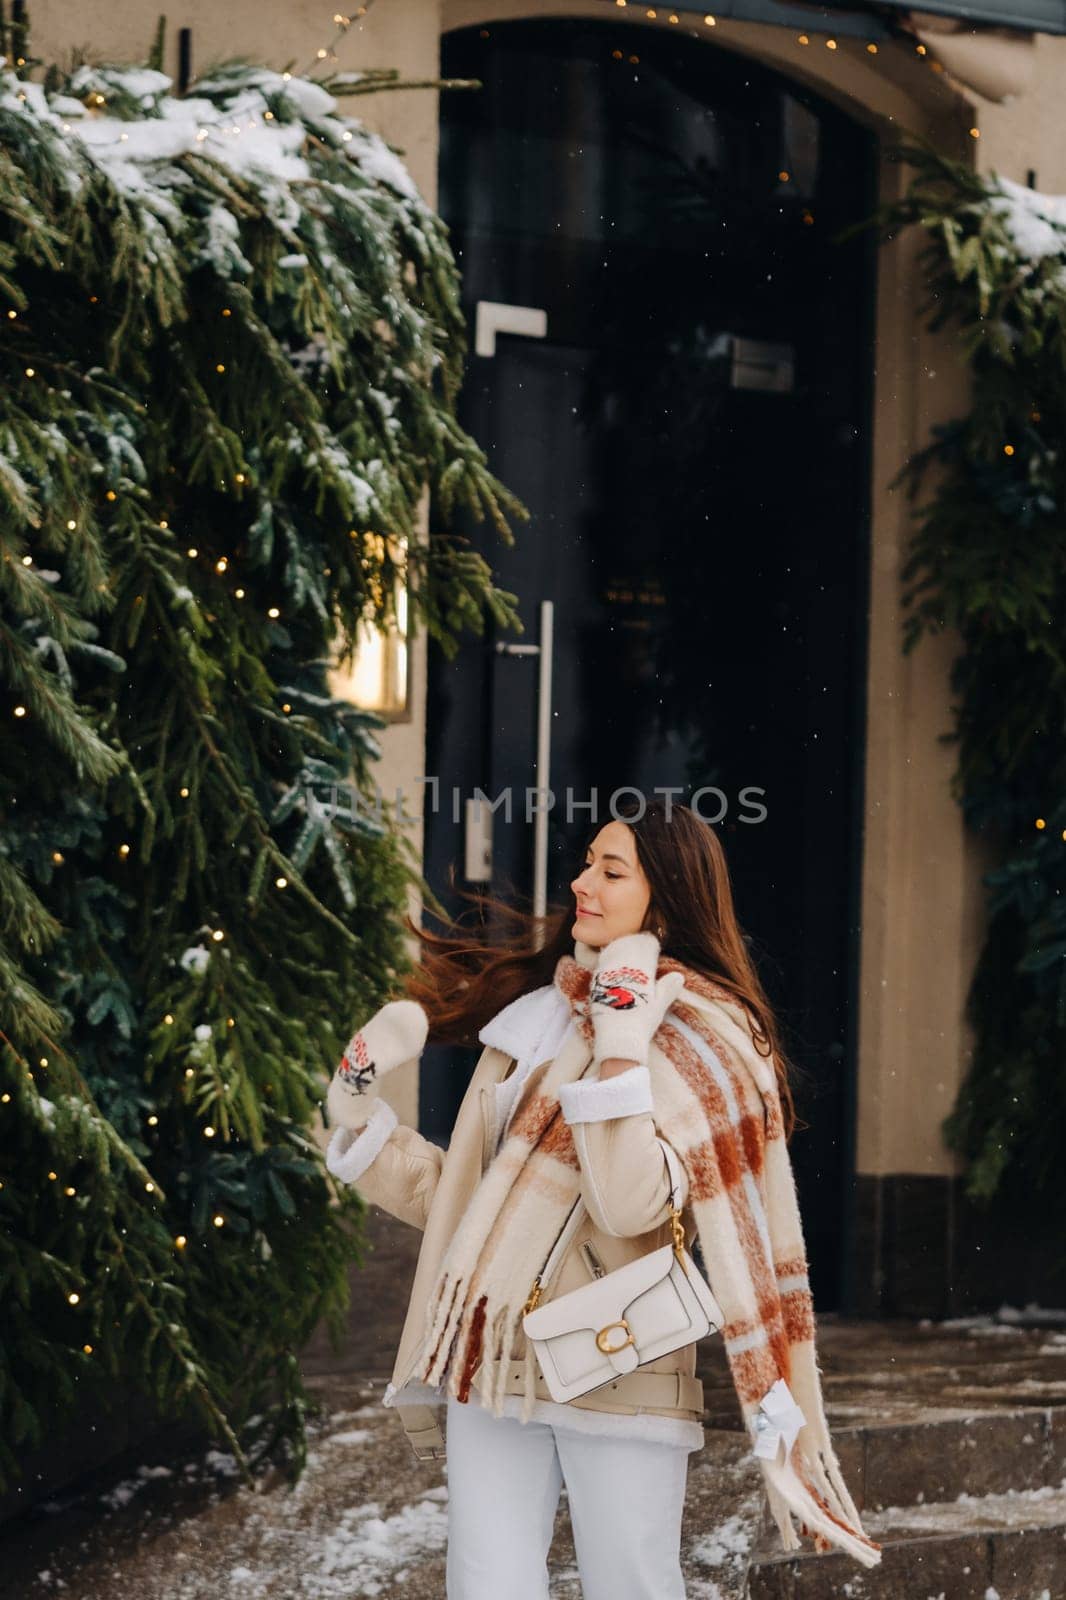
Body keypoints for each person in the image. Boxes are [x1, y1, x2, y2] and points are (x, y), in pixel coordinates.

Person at [324, 798, 881, 1597]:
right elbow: (473, 1205)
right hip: (497, 1351)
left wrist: (620, 1042)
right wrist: (356, 1118)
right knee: (486, 1582)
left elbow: (628, 1205)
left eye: (611, 870)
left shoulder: (705, 1035)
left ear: (669, 896)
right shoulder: (539, 1017)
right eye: (588, 861)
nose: (582, 881)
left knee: (631, 1582)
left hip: (618, 1357)